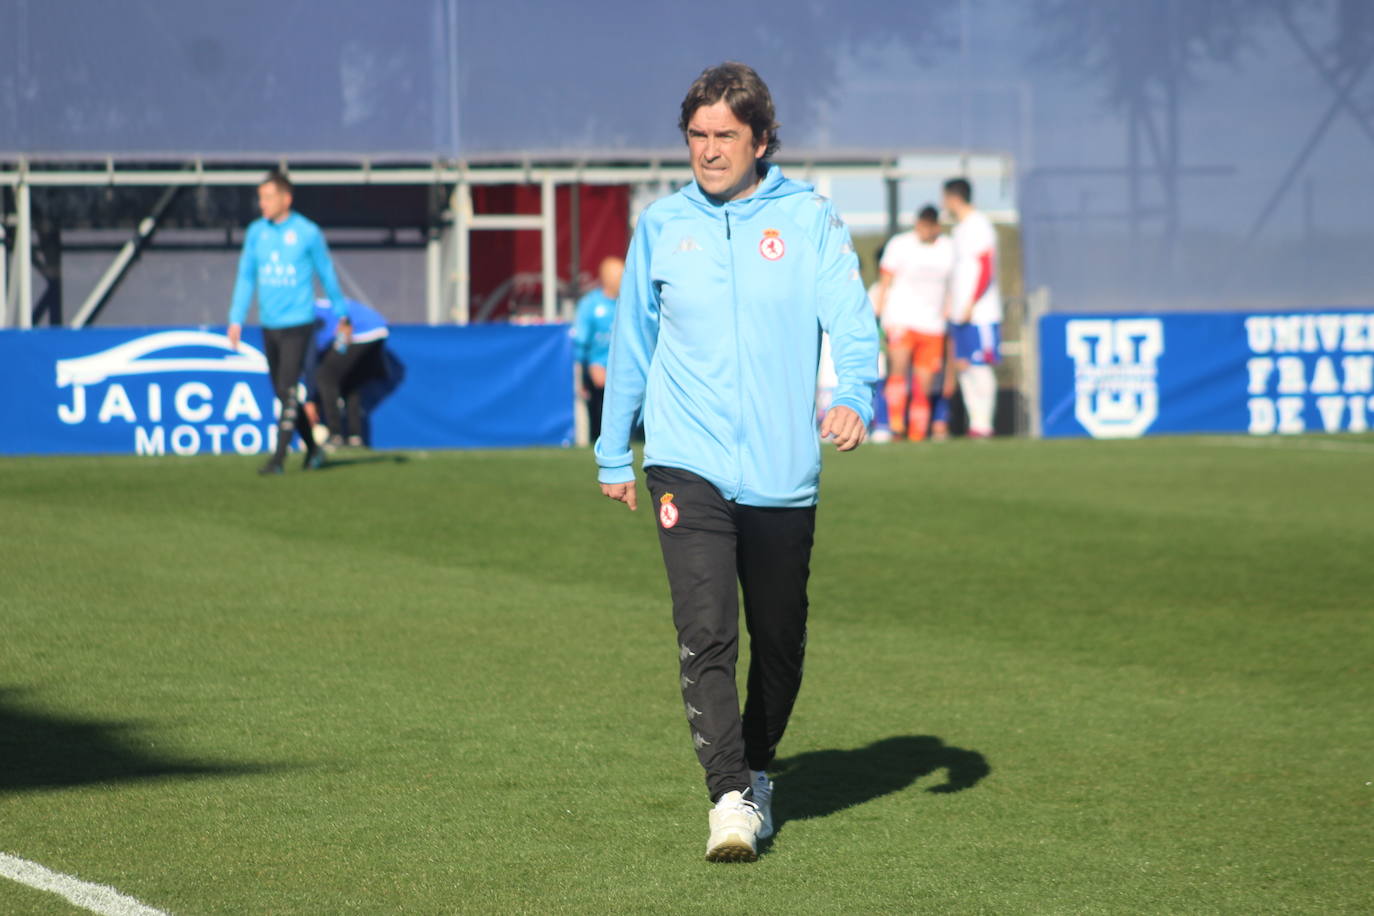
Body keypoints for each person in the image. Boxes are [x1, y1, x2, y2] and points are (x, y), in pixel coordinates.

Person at [595, 62, 878, 863]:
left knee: (780, 645)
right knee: (708, 630)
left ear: (760, 139)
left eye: (725, 135)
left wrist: (853, 390)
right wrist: (616, 450)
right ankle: (727, 797)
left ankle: (756, 769)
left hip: (786, 474)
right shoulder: (660, 226)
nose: (709, 150)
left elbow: (851, 322)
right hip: (685, 463)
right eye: (697, 135)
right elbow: (631, 348)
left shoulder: (812, 219)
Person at [228, 171, 350, 473]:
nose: (262, 204)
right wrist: (236, 318)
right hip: (269, 325)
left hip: (298, 323)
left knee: (288, 388)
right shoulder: (257, 232)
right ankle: (313, 450)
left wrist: (341, 313)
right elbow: (246, 276)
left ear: (286, 198)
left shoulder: (307, 232)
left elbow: (327, 273)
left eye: (268, 197)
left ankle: (278, 458)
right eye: (260, 197)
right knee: (283, 393)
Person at [873, 205, 954, 440]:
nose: (923, 232)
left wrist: (949, 309)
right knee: (898, 369)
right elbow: (885, 279)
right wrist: (879, 309)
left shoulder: (947, 248)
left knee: (924, 382)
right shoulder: (900, 244)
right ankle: (896, 425)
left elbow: (952, 284)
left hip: (932, 324)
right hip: (901, 319)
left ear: (936, 227)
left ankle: (918, 433)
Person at [943, 178, 1002, 438]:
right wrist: (951, 303)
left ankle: (985, 423)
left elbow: (986, 267)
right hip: (959, 312)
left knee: (981, 366)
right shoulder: (959, 230)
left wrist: (971, 303)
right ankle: (975, 423)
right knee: (964, 366)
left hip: (980, 313)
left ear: (954, 198)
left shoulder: (980, 225)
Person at [306, 297, 389, 448]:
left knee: (326, 377)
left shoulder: (308, 314)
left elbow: (316, 354)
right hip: (378, 329)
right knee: (349, 382)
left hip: (362, 331)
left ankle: (335, 434)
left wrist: (310, 399)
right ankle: (355, 437)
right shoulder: (315, 307)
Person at [572, 257, 623, 443]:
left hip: (626, 371)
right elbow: (580, 345)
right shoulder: (591, 304)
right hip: (598, 375)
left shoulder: (629, 303)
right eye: (616, 275)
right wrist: (587, 371)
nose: (620, 279)